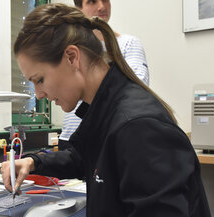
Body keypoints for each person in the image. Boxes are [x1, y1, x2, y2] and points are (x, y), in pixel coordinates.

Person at [1, 3, 214, 217]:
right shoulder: (105, 110)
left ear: (72, 57)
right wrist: (34, 162)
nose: (38, 94)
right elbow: (88, 159)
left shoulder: (137, 128)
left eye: (39, 80)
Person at [59, 0, 149, 150]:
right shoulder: (68, 49)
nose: (102, 6)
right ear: (78, 8)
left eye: (105, 0)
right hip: (70, 137)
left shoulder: (128, 44)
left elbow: (137, 88)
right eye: (92, 1)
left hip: (106, 139)